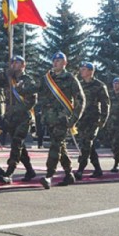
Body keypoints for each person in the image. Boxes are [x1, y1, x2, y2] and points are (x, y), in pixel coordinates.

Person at [38, 52, 85, 189]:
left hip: (63, 119)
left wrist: (74, 118)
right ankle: (69, 173)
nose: (55, 63)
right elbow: (36, 91)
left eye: (59, 60)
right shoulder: (47, 78)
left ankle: (49, 176)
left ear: (65, 63)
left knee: (55, 145)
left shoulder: (70, 78)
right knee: (60, 146)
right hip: (49, 119)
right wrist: (21, 88)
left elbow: (80, 99)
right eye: (54, 60)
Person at [0, 55, 38, 184]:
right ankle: (30, 170)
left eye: (17, 62)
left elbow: (33, 99)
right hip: (11, 118)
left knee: (16, 143)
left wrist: (20, 109)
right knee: (20, 146)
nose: (14, 64)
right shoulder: (8, 79)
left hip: (23, 118)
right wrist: (6, 73)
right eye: (12, 62)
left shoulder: (27, 80)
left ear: (23, 65)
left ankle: (9, 172)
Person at [74, 62, 110, 180]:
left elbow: (105, 104)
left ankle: (80, 169)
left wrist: (103, 120)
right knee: (87, 144)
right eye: (81, 69)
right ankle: (98, 169)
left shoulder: (99, 86)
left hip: (93, 118)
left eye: (84, 69)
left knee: (87, 142)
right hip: (82, 119)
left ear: (90, 71)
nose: (81, 71)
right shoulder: (80, 85)